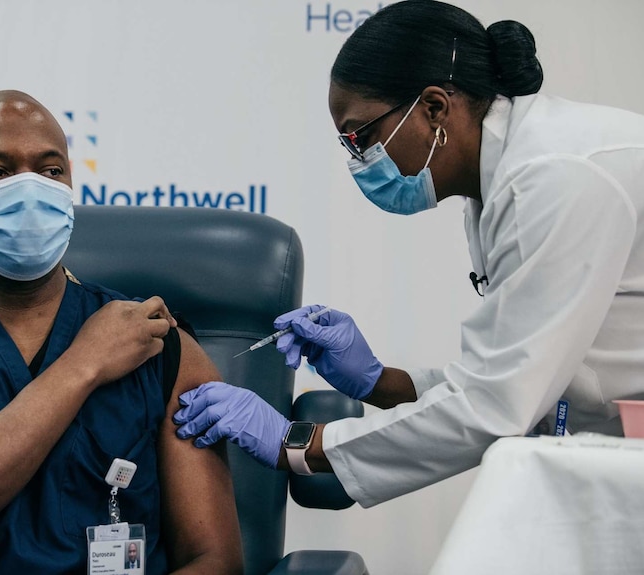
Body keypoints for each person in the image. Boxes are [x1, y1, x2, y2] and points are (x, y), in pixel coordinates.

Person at [174, 0, 644, 508]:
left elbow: (494, 404)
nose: (359, 162)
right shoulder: (501, 185)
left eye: (362, 137)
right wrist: (379, 382)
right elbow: (510, 379)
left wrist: (298, 443)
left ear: (435, 107)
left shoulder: (553, 177)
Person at [0, 90, 243, 574]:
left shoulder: (156, 342)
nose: (29, 190)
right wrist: (83, 364)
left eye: (51, 171)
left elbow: (214, 559)